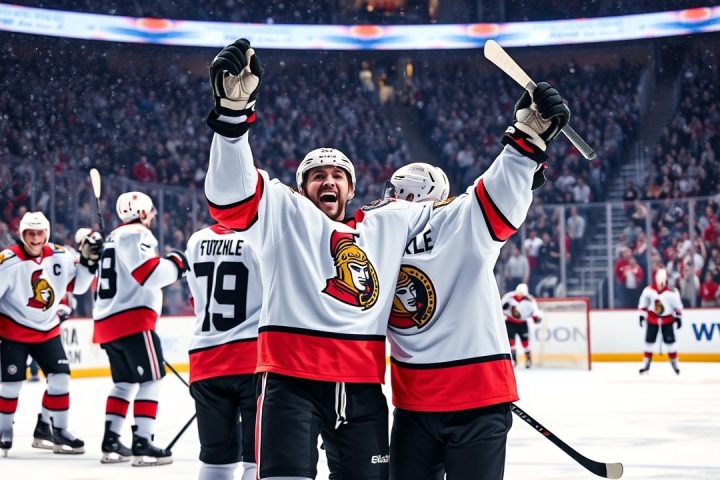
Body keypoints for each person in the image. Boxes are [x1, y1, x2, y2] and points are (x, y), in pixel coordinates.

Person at [204, 39, 569, 480]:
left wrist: (523, 152)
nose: (328, 181)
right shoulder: (284, 213)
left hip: (365, 389)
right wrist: (231, 119)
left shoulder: (388, 224)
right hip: (291, 381)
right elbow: (230, 197)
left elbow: (474, 211)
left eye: (337, 175)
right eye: (317, 176)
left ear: (353, 189)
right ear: (301, 188)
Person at [385, 151, 557, 476]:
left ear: (409, 195)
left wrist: (522, 159)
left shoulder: (457, 221)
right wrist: (522, 166)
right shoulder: (385, 238)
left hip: (467, 404)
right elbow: (497, 192)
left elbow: (494, 195)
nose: (388, 198)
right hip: (424, 404)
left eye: (395, 191)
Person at [92, 191, 188, 465]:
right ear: (143, 213)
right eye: (151, 212)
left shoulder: (111, 239)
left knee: (123, 383)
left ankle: (111, 441)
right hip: (133, 321)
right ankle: (142, 443)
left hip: (107, 322)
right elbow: (149, 274)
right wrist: (177, 264)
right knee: (152, 380)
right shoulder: (137, 234)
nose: (153, 217)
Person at [0, 211, 102, 456]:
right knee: (11, 385)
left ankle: (57, 430)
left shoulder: (61, 256)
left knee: (60, 379)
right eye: (30, 233)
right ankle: (4, 430)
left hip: (47, 330)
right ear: (21, 234)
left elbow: (79, 287)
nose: (35, 238)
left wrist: (89, 263)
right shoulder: (7, 262)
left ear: (46, 233)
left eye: (39, 233)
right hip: (13, 331)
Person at [185, 223, 262, 480]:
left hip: (204, 359)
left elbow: (196, 300)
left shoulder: (196, 240)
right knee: (256, 461)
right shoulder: (258, 238)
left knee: (216, 461)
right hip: (251, 359)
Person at [638, 268, 683, 375]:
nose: (661, 284)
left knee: (671, 343)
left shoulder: (672, 292)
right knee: (648, 342)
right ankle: (646, 365)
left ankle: (675, 364)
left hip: (667, 320)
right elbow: (643, 304)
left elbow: (677, 306)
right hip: (652, 319)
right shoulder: (648, 291)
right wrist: (641, 316)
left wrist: (678, 317)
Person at [502, 283, 543, 369]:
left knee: (525, 343)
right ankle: (514, 360)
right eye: (519, 292)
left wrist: (536, 317)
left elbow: (534, 311)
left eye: (522, 293)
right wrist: (504, 307)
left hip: (522, 323)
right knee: (511, 342)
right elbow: (501, 307)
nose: (519, 295)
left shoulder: (530, 300)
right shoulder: (509, 297)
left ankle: (528, 360)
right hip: (510, 322)